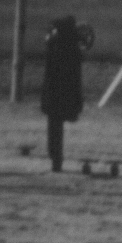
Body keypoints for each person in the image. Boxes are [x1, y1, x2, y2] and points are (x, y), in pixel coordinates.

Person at [40, 17, 86, 172]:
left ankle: (56, 159)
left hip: (55, 93)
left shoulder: (55, 46)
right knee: (56, 128)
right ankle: (56, 159)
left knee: (54, 128)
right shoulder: (72, 46)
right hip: (67, 93)